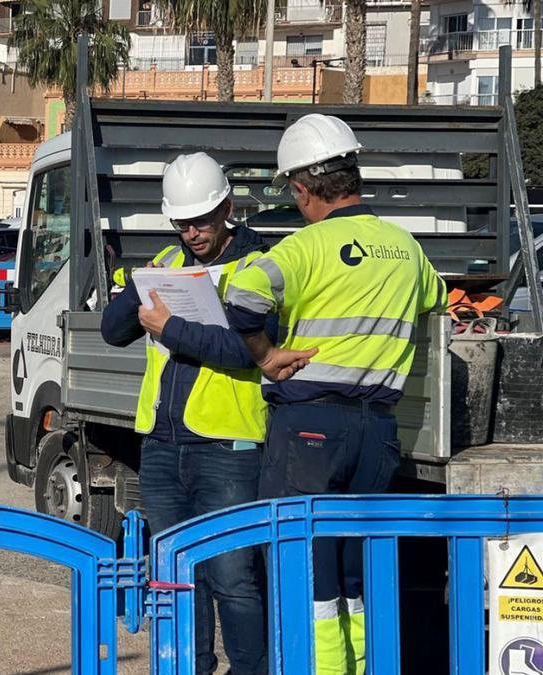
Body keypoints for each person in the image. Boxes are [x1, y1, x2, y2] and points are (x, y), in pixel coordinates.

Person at [224, 114, 446, 675]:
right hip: (377, 432)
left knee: (304, 572)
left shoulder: (305, 247)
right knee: (354, 572)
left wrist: (266, 355)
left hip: (310, 429)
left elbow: (244, 299)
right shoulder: (405, 247)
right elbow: (435, 298)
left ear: (301, 189)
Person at [101, 152, 271, 675]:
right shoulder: (167, 265)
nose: (192, 232)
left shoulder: (258, 267)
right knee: (176, 573)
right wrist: (137, 291)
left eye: (201, 220)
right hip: (162, 446)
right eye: (182, 222)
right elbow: (112, 331)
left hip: (229, 448)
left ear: (227, 208)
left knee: (233, 577)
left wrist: (170, 327)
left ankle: (251, 669)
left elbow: (247, 352)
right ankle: (188, 667)